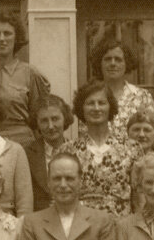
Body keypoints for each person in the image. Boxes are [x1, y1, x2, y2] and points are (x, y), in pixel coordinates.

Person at [60, 81, 143, 217]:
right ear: (81, 108)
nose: (96, 108)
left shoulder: (132, 148)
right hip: (80, 226)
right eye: (90, 103)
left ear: (110, 107)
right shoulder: (67, 151)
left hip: (119, 227)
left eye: (102, 103)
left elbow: (140, 198)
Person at [0, 10, 50, 149]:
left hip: (23, 144)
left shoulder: (31, 73)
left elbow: (40, 119)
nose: (2, 38)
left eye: (7, 33)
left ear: (16, 37)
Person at [88, 36, 154, 139]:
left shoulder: (142, 96)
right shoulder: (90, 96)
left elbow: (151, 132)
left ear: (127, 63)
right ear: (99, 63)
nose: (113, 63)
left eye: (118, 60)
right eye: (107, 59)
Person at [26, 95, 75, 212]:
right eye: (44, 121)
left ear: (65, 119)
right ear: (36, 123)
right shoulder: (26, 154)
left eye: (55, 119)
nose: (50, 126)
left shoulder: (78, 150)